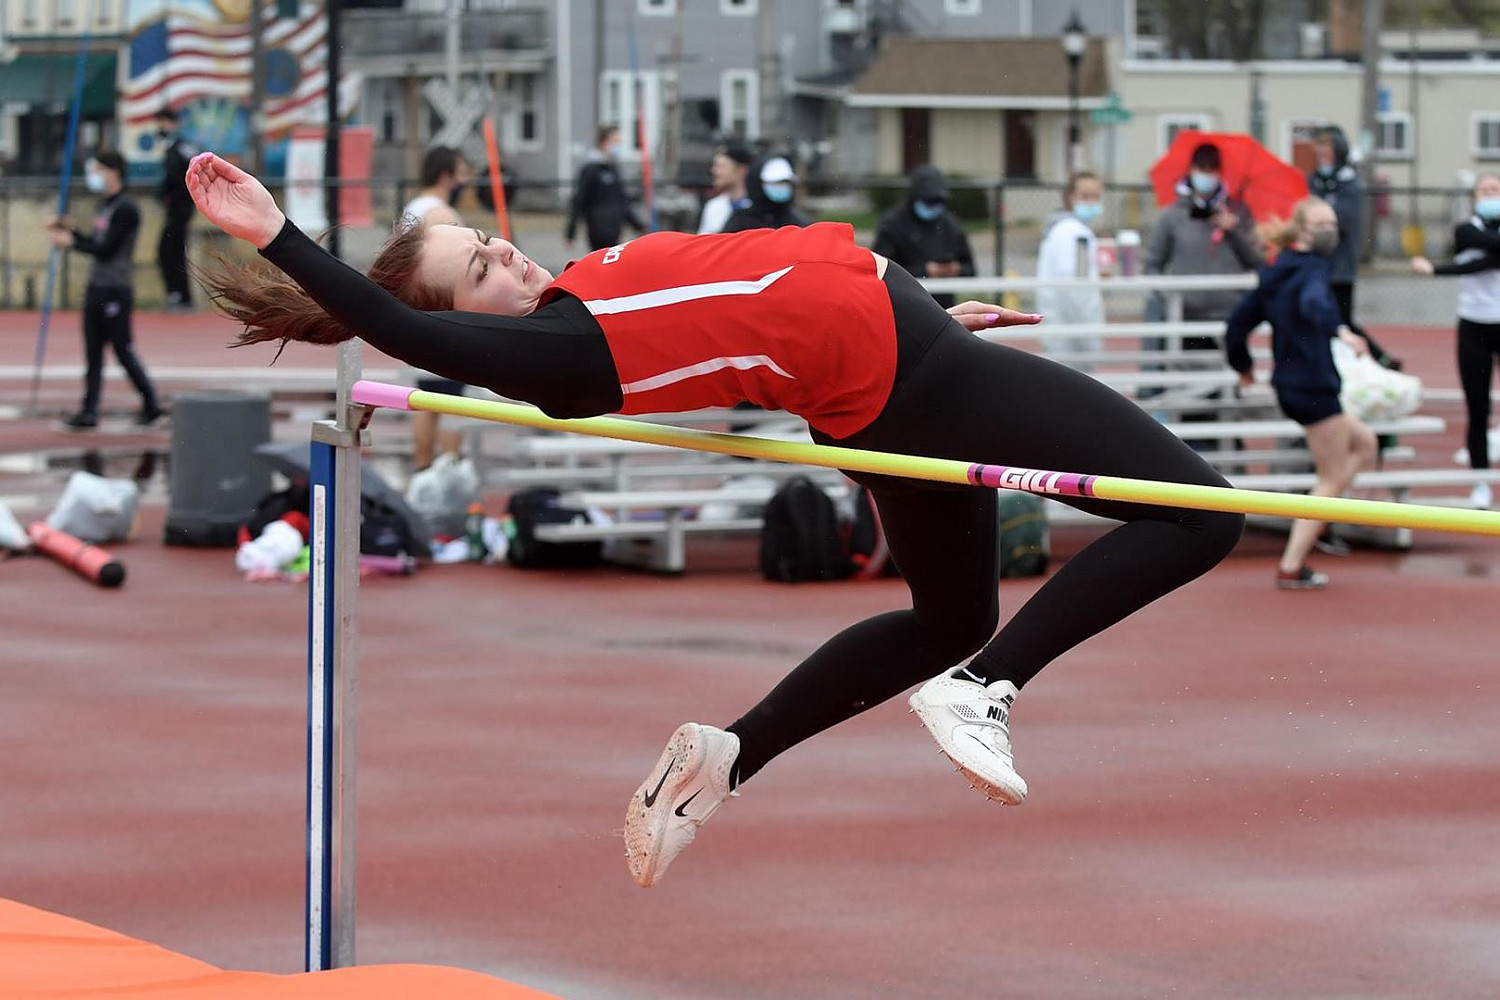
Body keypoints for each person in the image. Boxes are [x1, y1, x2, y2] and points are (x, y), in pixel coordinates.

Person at [189, 151, 1244, 889]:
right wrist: (280, 234)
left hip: (896, 368)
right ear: (462, 327)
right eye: (480, 271)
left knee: (946, 615)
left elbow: (749, 299)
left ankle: (727, 757)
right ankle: (985, 692)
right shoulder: (553, 358)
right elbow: (395, 325)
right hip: (911, 377)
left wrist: (927, 310)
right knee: (1200, 515)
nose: (508, 257)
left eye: (494, 242)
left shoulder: (576, 294)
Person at [1224, 197, 1376, 589]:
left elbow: (1237, 324)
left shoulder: (1277, 271)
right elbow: (1315, 305)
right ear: (1303, 230)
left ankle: (1320, 519)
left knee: (1365, 444)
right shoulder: (1311, 272)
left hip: (1295, 386)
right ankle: (1293, 563)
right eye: (1322, 223)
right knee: (1331, 478)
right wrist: (1339, 330)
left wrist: (1243, 365)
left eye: (1333, 221)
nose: (1332, 229)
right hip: (1313, 388)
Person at [46, 150, 163, 431]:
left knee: (123, 350)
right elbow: (95, 240)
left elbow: (107, 249)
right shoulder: (105, 205)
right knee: (93, 354)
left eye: (98, 169)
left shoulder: (126, 208)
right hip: (96, 287)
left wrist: (70, 244)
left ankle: (152, 406)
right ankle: (88, 411)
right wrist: (71, 231)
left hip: (116, 288)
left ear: (113, 172)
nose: (94, 176)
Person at [1411, 173, 1500, 509]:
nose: (1491, 194)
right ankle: (1480, 482)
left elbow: (1489, 257)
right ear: (1476, 196)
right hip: (1474, 326)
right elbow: (1480, 260)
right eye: (1486, 190)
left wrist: (1436, 270)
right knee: (1478, 409)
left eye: (1496, 189)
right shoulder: (1465, 230)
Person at [399, 146, 475, 469]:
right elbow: (460, 267)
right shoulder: (441, 215)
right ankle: (448, 467)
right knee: (452, 400)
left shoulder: (413, 208)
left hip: (418, 313)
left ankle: (423, 468)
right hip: (442, 315)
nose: (466, 180)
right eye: (461, 173)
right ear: (446, 176)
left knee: (426, 397)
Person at [1308, 126, 1399, 369]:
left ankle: (1379, 359)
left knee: (1343, 320)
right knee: (1323, 320)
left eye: (1327, 149)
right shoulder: (1314, 181)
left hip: (1340, 266)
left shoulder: (1348, 183)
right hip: (1316, 264)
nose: (1322, 155)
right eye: (1319, 149)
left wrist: (1320, 217)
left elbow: (1343, 219)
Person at [871, 165, 976, 309]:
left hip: (943, 308)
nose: (933, 206)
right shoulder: (892, 224)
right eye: (929, 201)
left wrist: (956, 269)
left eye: (938, 201)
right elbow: (880, 270)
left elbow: (970, 269)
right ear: (915, 197)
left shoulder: (950, 225)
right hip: (903, 306)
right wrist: (924, 271)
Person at [1035, 171, 1107, 368]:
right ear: (1070, 198)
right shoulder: (1074, 234)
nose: (1092, 202)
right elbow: (1076, 288)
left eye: (1096, 196)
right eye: (1085, 196)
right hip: (1072, 335)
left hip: (1062, 331)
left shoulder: (1062, 230)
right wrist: (1089, 337)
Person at [566, 125, 644, 252]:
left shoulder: (614, 169)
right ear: (604, 142)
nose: (618, 146)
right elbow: (579, 201)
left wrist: (638, 226)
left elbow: (622, 201)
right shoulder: (590, 170)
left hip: (615, 228)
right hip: (597, 229)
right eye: (615, 141)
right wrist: (571, 232)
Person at [154, 108, 197, 312]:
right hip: (174, 208)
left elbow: (183, 176)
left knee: (172, 251)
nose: (161, 127)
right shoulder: (171, 147)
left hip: (181, 208)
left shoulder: (181, 147)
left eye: (164, 122)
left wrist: (169, 193)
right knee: (169, 251)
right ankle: (178, 294)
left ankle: (180, 295)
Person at [722, 155, 810, 233]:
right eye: (775, 183)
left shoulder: (799, 222)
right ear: (758, 184)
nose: (781, 187)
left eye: (785, 182)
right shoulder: (740, 221)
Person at [697, 142, 753, 235]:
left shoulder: (757, 207)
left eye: (721, 166)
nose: (714, 171)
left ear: (741, 170)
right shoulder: (713, 206)